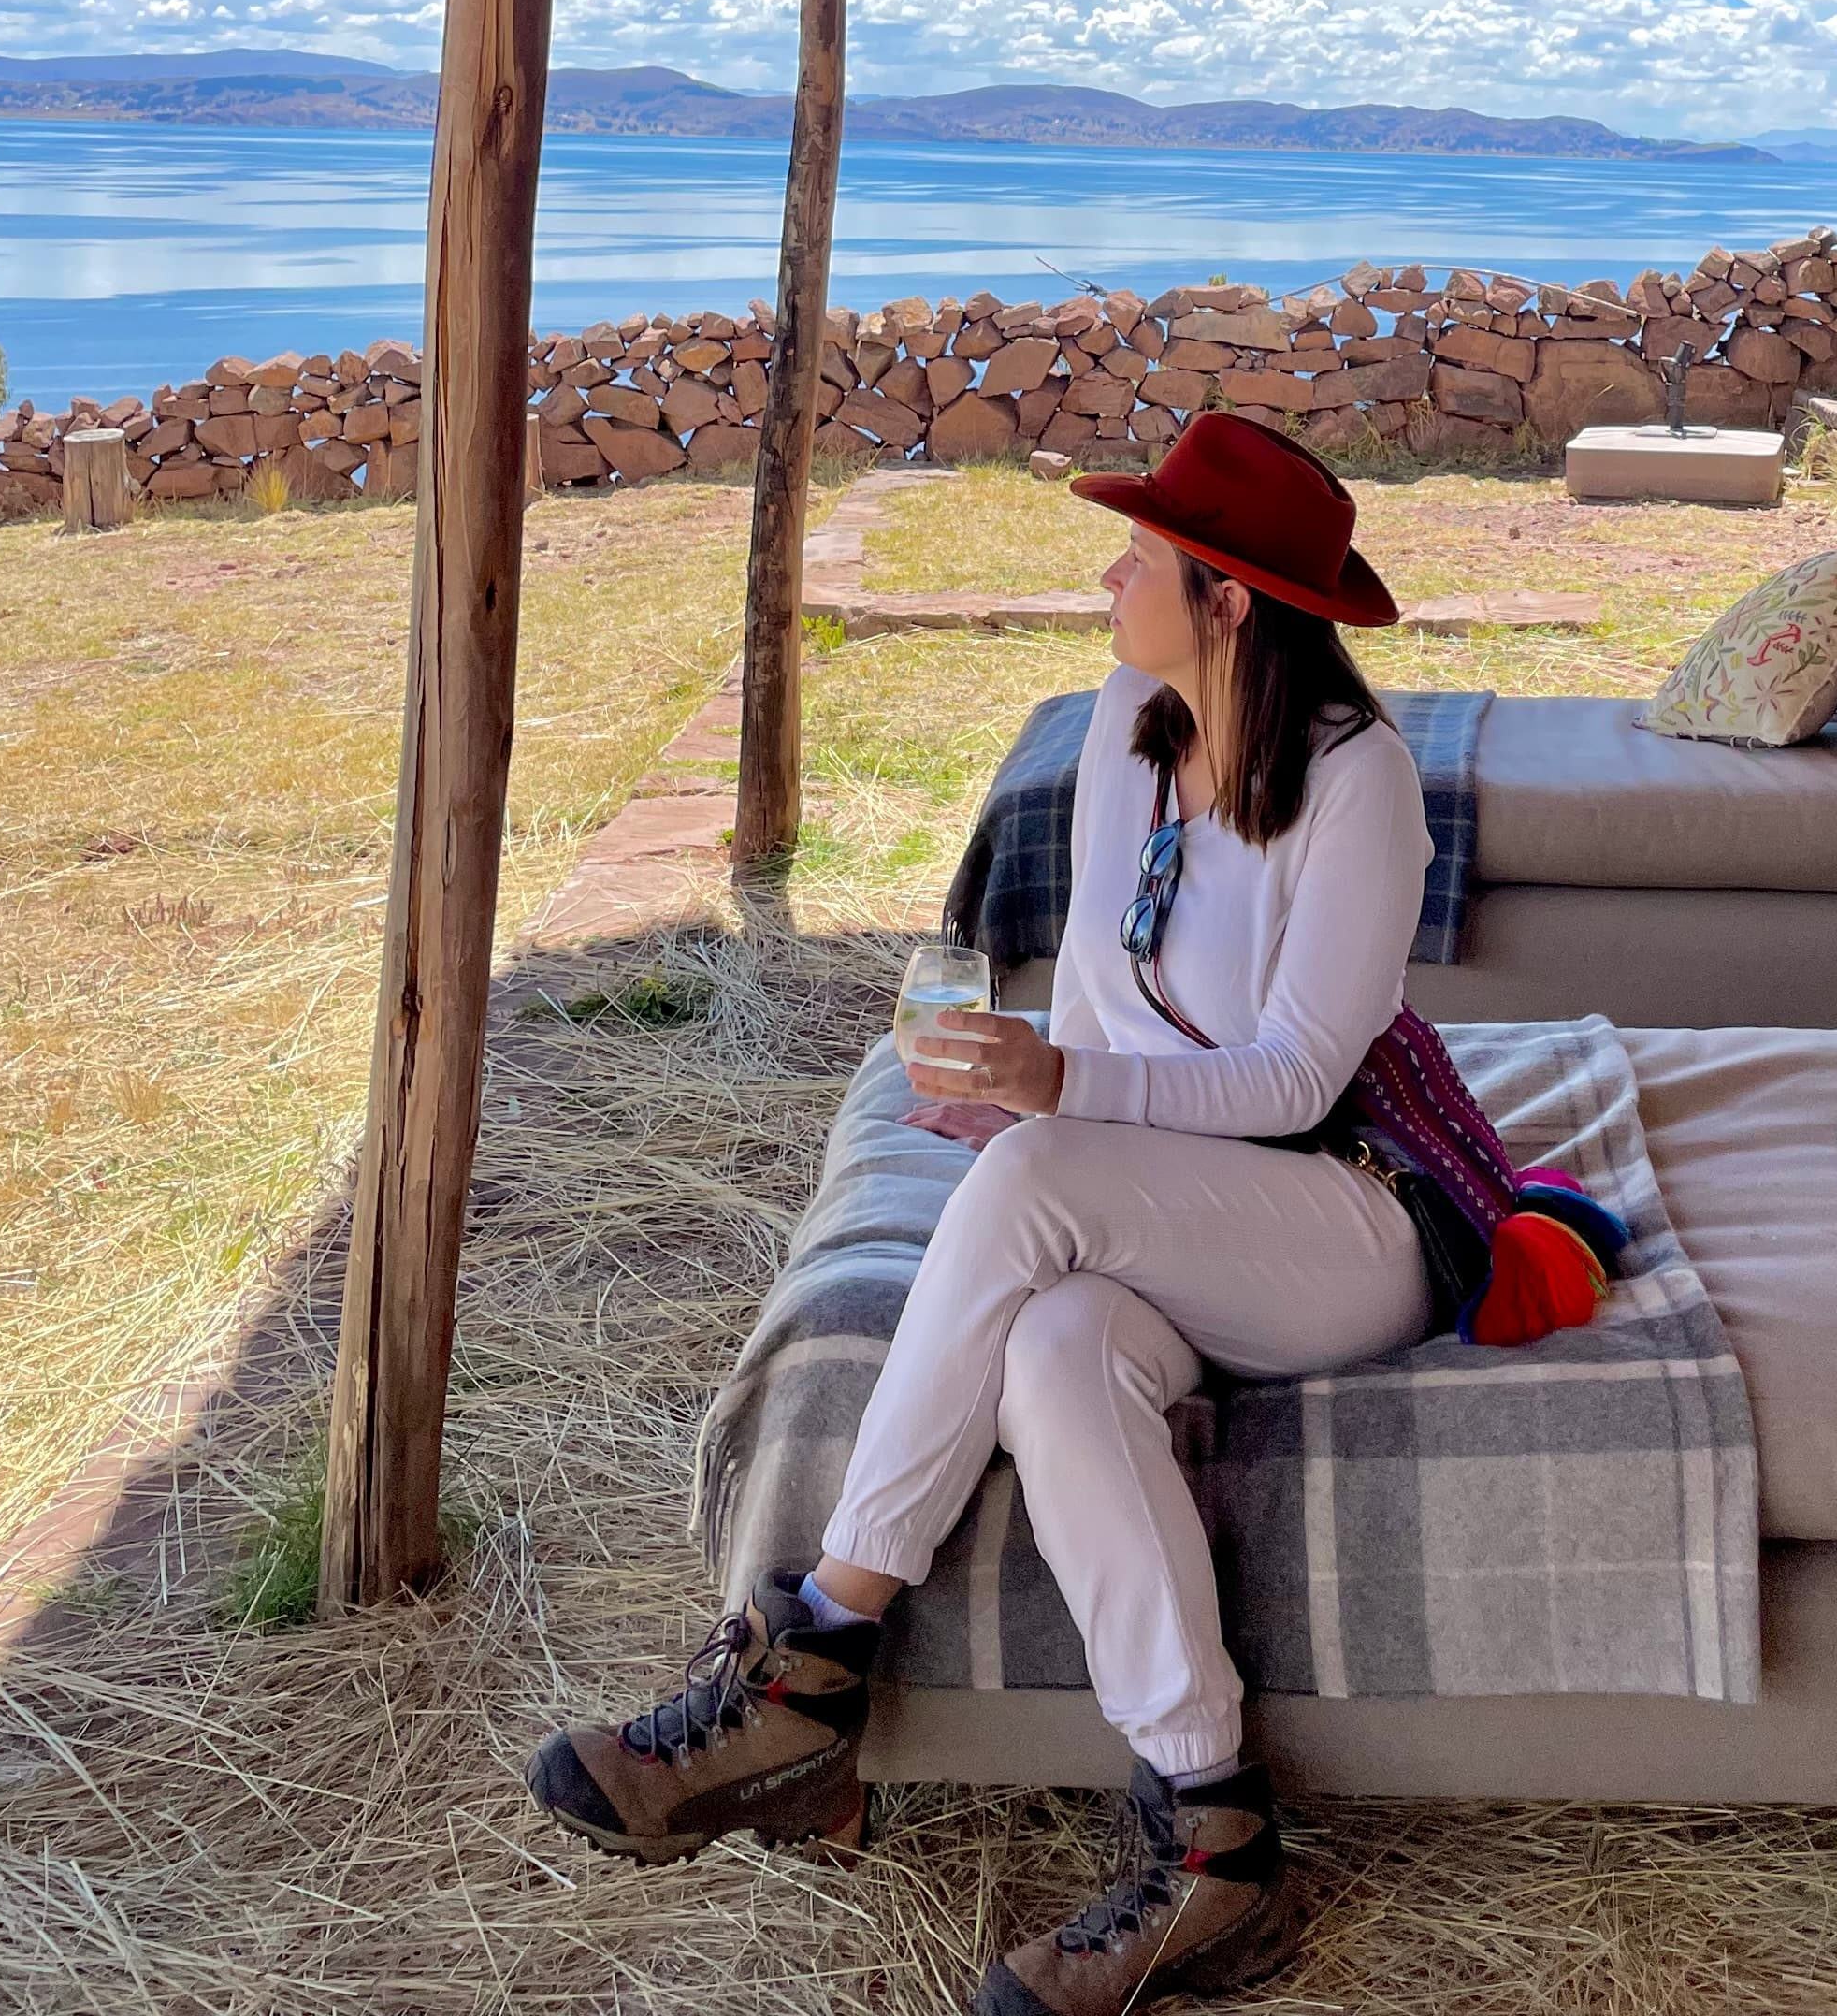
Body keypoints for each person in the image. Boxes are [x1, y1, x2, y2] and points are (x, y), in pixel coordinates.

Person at [528, 412, 1432, 2009]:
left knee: (1034, 1174)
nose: (1107, 576)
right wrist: (1025, 1083)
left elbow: (1294, 1083)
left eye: (1140, 558)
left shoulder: (1361, 789)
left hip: (1333, 1228)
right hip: (1147, 1223)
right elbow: (1097, 993)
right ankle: (1217, 1847)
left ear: (1228, 599)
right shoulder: (1126, 727)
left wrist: (1059, 1099)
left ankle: (812, 1659)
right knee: (1056, 1350)